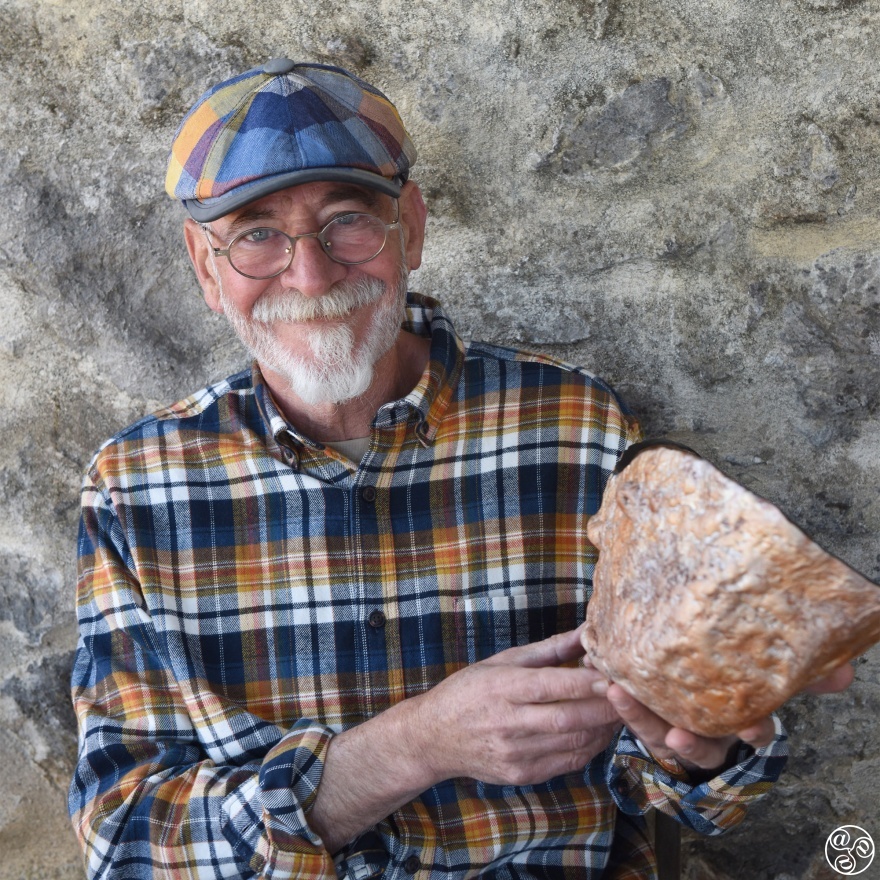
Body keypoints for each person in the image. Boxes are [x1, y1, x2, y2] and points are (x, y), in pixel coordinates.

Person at [68, 58, 852, 879]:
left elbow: (702, 795)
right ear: (205, 265)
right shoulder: (137, 486)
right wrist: (413, 746)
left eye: (348, 221)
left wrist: (697, 745)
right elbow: (125, 843)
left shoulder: (577, 429)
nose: (311, 273)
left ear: (410, 225)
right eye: (257, 234)